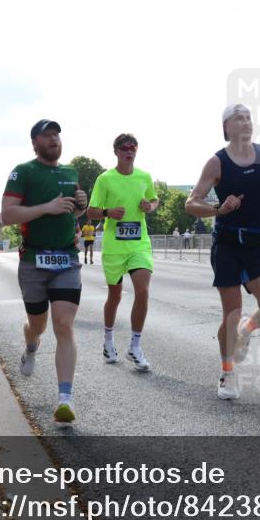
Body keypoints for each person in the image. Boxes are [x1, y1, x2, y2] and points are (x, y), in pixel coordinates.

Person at [185, 104, 260, 400]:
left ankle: (247, 330)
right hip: (227, 243)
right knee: (231, 313)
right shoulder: (217, 162)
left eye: (248, 118)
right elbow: (191, 203)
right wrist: (219, 208)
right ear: (227, 127)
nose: (245, 123)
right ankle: (227, 372)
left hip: (257, 244)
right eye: (238, 119)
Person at [1, 119, 88, 423]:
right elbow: (7, 214)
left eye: (57, 135)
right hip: (33, 261)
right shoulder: (23, 172)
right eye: (47, 135)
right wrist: (46, 208)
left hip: (66, 258)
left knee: (63, 324)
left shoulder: (69, 172)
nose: (54, 139)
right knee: (37, 325)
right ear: (35, 143)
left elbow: (72, 212)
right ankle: (30, 345)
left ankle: (65, 399)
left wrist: (80, 205)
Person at [87, 133, 159, 372]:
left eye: (133, 147)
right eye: (124, 147)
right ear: (116, 151)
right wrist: (107, 212)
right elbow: (91, 211)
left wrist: (150, 206)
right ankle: (108, 342)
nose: (129, 151)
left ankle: (135, 347)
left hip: (139, 244)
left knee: (143, 290)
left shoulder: (144, 177)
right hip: (114, 248)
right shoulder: (105, 179)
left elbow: (154, 200)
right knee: (115, 296)